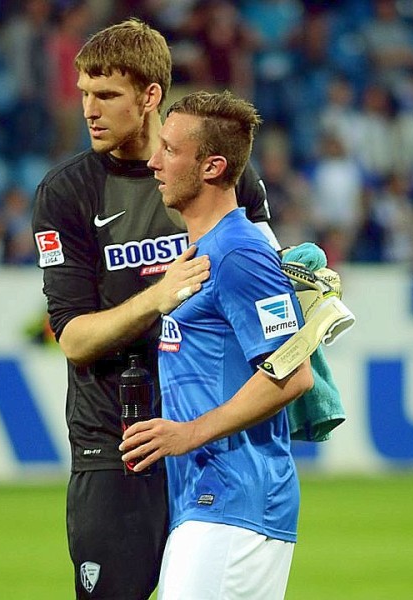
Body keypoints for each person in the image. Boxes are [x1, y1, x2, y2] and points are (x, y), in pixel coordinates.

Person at [31, 18, 277, 600]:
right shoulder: (67, 194)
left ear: (150, 97)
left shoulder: (219, 177)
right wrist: (159, 296)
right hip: (119, 445)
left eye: (107, 95)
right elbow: (74, 339)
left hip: (207, 437)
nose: (89, 109)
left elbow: (265, 287)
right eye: (84, 93)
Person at [120, 90, 314, 600]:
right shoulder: (206, 251)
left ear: (212, 166)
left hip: (237, 501)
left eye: (169, 150)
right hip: (208, 499)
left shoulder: (238, 251)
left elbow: (293, 373)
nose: (155, 162)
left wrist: (188, 434)